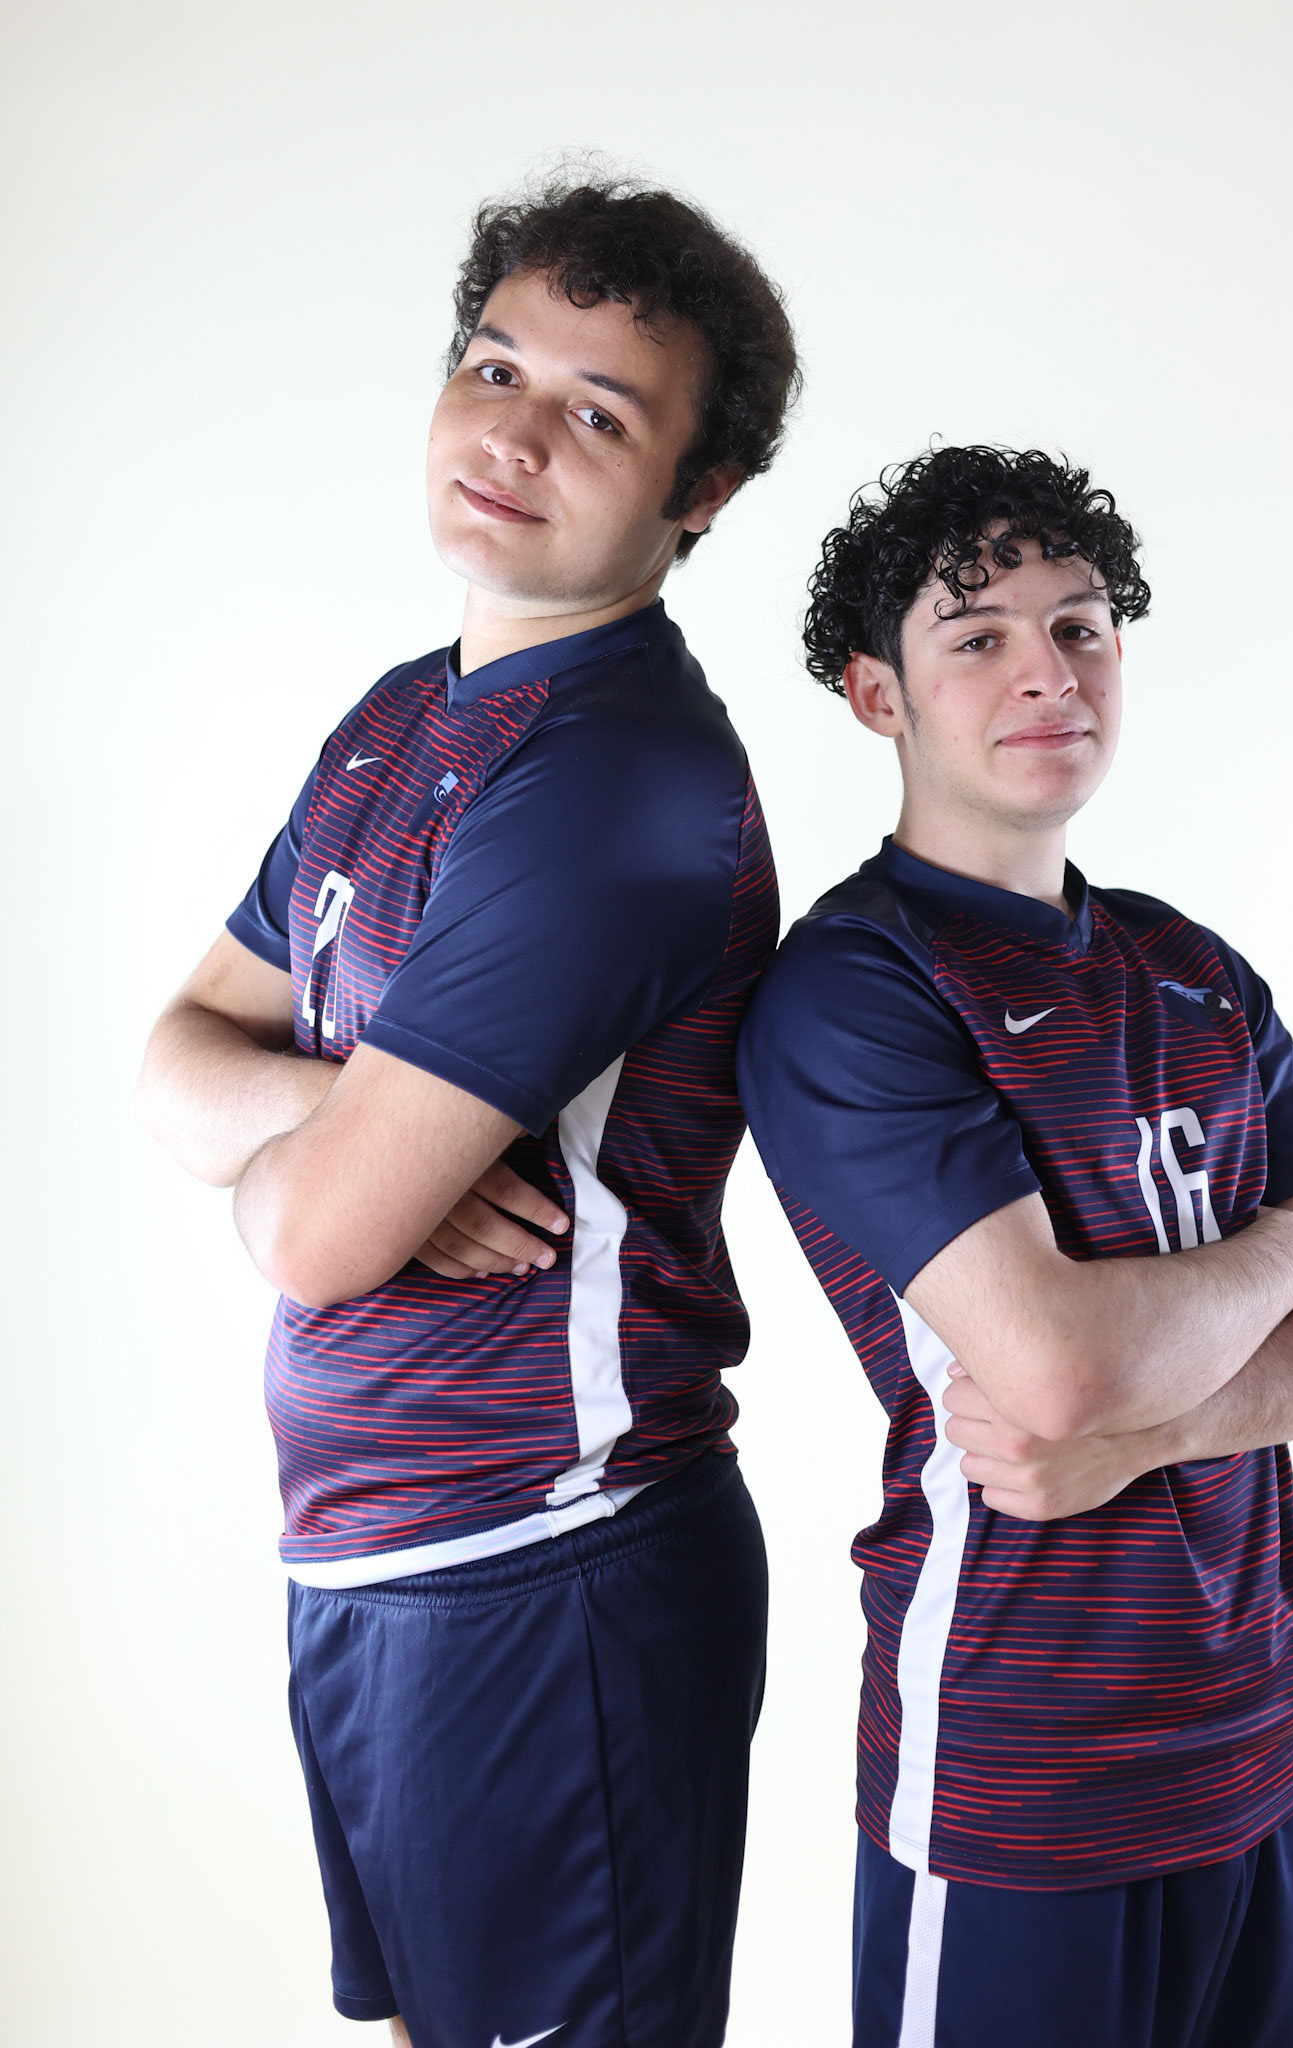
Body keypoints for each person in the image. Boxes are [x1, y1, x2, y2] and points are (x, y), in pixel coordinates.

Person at [138, 174, 798, 2048]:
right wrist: (330, 1141)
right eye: (494, 364)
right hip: (376, 1560)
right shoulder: (396, 723)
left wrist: (309, 1183)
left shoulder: (617, 787)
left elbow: (323, 1237)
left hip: (546, 1562)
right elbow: (174, 1050)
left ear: (700, 497)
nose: (511, 431)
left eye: (600, 411)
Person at [735, 445, 1293, 2048]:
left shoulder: (1191, 970)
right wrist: (1281, 1256)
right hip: (1017, 1779)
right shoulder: (859, 987)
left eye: (1081, 624)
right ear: (873, 696)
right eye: (976, 636)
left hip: (1255, 1746)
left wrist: (1171, 1428)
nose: (1047, 673)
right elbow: (1055, 1371)